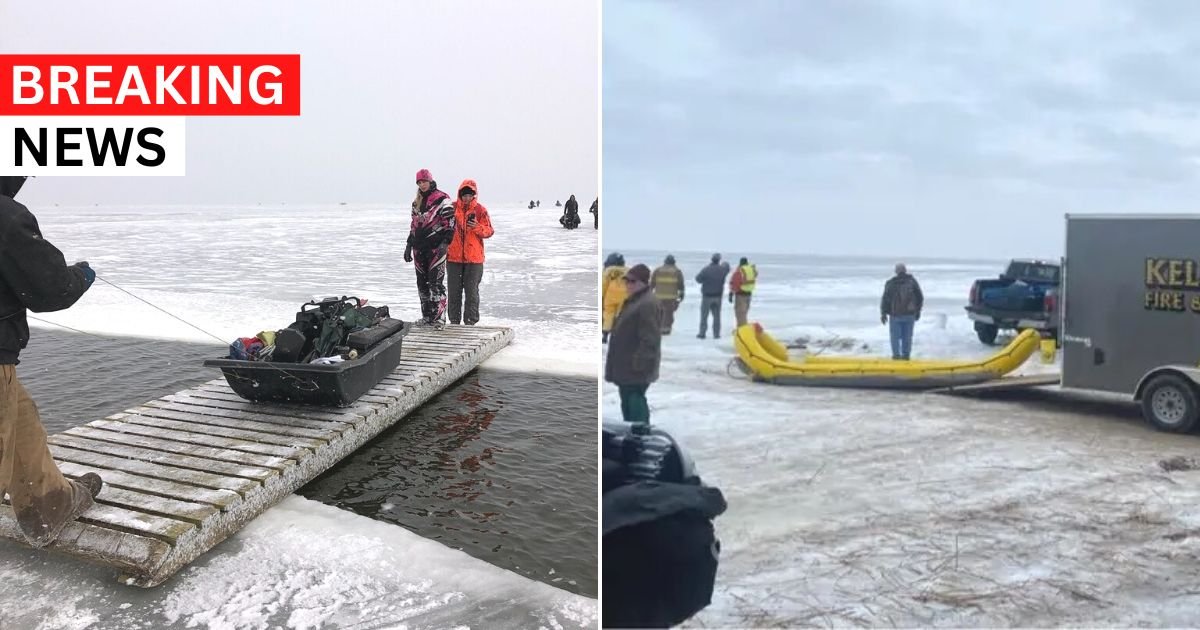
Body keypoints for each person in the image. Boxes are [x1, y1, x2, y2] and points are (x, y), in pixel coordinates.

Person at [0, 175, 104, 549]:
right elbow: (50, 290)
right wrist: (81, 276)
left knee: (21, 416)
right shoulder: (6, 216)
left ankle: (48, 504)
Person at [605, 264, 661, 426]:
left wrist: (639, 364)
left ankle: (640, 437)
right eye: (626, 281)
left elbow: (650, 338)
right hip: (627, 366)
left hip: (635, 368)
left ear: (643, 283)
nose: (628, 284)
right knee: (628, 404)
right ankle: (633, 436)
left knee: (635, 403)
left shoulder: (647, 304)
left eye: (632, 281)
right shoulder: (635, 301)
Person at [404, 168, 456, 329]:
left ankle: (439, 318)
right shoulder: (416, 202)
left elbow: (451, 222)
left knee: (436, 283)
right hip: (419, 249)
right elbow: (414, 226)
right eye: (419, 182)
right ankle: (426, 316)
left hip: (436, 248)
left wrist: (445, 243)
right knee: (422, 284)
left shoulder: (442, 198)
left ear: (430, 181)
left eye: (424, 181)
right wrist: (408, 245)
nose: (422, 184)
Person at [447, 179, 494, 326]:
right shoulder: (452, 208)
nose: (467, 198)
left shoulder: (480, 210)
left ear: (474, 195)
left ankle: (470, 322)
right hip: (454, 258)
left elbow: (489, 231)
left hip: (474, 260)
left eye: (470, 195)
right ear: (460, 195)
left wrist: (477, 227)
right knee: (454, 292)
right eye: (464, 195)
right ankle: (454, 321)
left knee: (471, 292)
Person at [881, 262, 924, 360]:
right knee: (907, 336)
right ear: (905, 270)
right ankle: (906, 355)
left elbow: (885, 299)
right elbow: (920, 297)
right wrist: (918, 311)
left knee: (895, 337)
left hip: (895, 315)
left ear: (896, 271)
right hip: (910, 314)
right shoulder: (912, 282)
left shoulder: (890, 283)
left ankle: (896, 355)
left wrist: (883, 313)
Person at [694, 253, 731, 339]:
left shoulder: (706, 269)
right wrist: (724, 265)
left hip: (707, 296)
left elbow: (697, 279)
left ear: (712, 259)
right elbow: (727, 269)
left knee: (704, 316)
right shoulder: (722, 270)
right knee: (717, 317)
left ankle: (702, 333)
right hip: (718, 296)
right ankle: (716, 334)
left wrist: (705, 280)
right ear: (719, 260)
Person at [651, 254, 685, 335]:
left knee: (659, 313)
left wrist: (649, 294)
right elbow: (681, 285)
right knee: (668, 314)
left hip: (658, 297)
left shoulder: (658, 270)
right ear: (673, 262)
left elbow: (652, 283)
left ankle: (658, 328)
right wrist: (681, 295)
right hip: (671, 298)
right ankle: (666, 330)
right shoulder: (677, 271)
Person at [601, 253, 628, 343]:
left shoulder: (608, 271)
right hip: (624, 295)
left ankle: (605, 335)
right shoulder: (627, 270)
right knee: (620, 315)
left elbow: (604, 284)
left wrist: (602, 296)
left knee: (608, 314)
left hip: (610, 295)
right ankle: (619, 335)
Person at [729, 257, 758, 329]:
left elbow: (735, 283)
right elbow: (755, 275)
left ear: (741, 263)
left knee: (740, 313)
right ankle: (744, 328)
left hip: (741, 294)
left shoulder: (740, 270)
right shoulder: (751, 269)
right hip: (749, 293)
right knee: (744, 312)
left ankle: (742, 330)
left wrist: (731, 293)